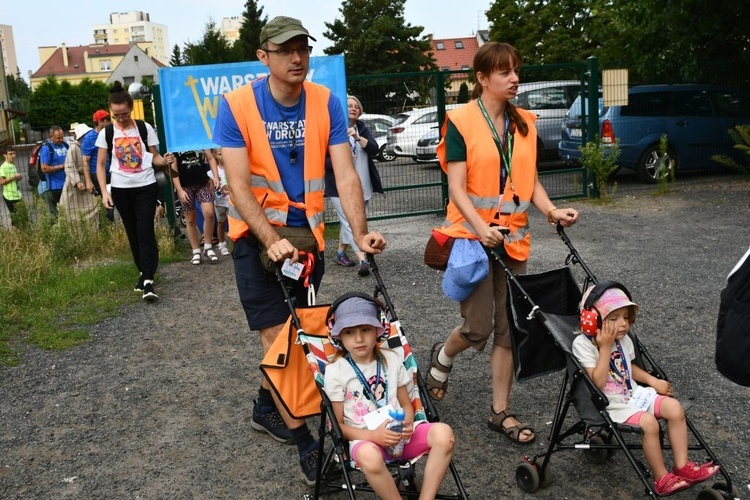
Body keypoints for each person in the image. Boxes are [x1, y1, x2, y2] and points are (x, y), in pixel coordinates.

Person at [212, 15, 386, 485]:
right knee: (279, 340)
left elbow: (345, 175)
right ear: (262, 55)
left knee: (301, 338)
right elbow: (238, 185)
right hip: (255, 239)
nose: (297, 58)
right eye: (286, 49)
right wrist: (270, 239)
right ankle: (308, 444)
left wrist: (361, 232)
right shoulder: (236, 105)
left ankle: (265, 406)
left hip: (308, 239)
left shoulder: (325, 103)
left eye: (303, 49)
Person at [425, 42, 580, 446]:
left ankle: (500, 412)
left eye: (516, 71)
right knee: (477, 329)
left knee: (510, 328)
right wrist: (480, 227)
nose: (514, 79)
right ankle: (442, 356)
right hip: (472, 240)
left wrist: (550, 211)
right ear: (482, 79)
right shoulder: (460, 120)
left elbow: (528, 181)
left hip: (512, 241)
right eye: (504, 72)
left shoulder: (524, 122)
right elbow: (457, 189)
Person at [572, 284, 719, 496]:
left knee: (674, 408)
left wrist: (652, 380)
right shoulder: (583, 345)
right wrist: (604, 348)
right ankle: (661, 478)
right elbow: (598, 381)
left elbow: (628, 367)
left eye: (625, 317)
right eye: (613, 319)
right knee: (650, 424)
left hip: (632, 395)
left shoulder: (622, 339)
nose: (622, 324)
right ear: (592, 320)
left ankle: (682, 465)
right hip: (610, 403)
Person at [324, 295, 455, 499]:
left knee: (444, 434)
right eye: (349, 332)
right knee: (369, 455)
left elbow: (406, 403)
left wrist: (409, 420)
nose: (358, 339)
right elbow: (337, 425)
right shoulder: (336, 371)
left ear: (377, 330)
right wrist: (374, 436)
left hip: (401, 436)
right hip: (366, 439)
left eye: (365, 330)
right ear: (339, 336)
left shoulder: (391, 359)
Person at [96, 81, 174, 302]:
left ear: (132, 109)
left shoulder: (143, 128)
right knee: (132, 232)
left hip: (145, 185)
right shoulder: (107, 133)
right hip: (120, 188)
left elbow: (155, 157)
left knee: (144, 230)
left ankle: (148, 279)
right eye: (116, 115)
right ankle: (143, 271)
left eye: (124, 114)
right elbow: (100, 165)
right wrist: (104, 192)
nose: (121, 119)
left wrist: (165, 160)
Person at [324, 95, 384, 277]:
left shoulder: (362, 128)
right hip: (338, 185)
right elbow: (322, 159)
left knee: (354, 219)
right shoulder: (333, 129)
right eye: (349, 105)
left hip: (362, 184)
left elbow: (374, 149)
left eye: (356, 106)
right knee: (349, 221)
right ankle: (362, 259)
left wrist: (358, 138)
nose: (353, 108)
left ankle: (340, 253)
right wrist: (340, 162)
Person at [171, 150, 219, 264]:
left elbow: (210, 158)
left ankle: (208, 246)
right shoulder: (176, 145)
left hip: (202, 183)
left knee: (209, 213)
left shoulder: (199, 139)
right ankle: (196, 250)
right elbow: (173, 170)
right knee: (190, 218)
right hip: (185, 186)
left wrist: (215, 176)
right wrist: (179, 190)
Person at [60, 123, 99, 230]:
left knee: (93, 207)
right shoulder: (73, 148)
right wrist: (77, 181)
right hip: (75, 186)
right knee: (72, 213)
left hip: (87, 181)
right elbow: (69, 166)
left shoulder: (88, 147)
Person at [83, 109, 114, 221]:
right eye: (108, 120)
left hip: (112, 172)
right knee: (107, 204)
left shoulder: (111, 133)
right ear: (100, 122)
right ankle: (108, 228)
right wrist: (88, 181)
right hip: (98, 175)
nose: (110, 122)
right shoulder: (89, 138)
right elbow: (85, 161)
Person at [39, 125, 69, 218]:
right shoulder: (47, 148)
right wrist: (62, 166)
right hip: (55, 186)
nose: (60, 139)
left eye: (62, 137)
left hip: (68, 184)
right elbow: (44, 168)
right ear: (51, 137)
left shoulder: (65, 145)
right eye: (57, 138)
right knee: (59, 213)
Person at [205, 148, 230, 256]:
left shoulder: (232, 169)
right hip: (219, 202)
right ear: (215, 155)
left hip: (232, 201)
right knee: (221, 222)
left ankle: (234, 242)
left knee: (233, 222)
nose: (223, 156)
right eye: (220, 154)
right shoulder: (213, 172)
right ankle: (222, 243)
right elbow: (210, 187)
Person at [0, 146, 23, 226]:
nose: (13, 156)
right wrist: (14, 177)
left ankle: (21, 235)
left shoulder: (12, 165)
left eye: (14, 153)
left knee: (23, 217)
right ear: (5, 155)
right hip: (9, 196)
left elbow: (13, 180)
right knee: (16, 219)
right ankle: (16, 235)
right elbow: (2, 182)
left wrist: (18, 178)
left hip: (17, 195)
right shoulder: (3, 167)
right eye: (10, 154)